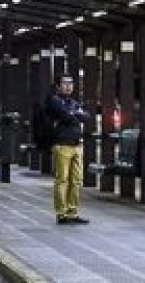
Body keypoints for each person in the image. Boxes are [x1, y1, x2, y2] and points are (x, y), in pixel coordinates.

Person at [45, 74, 93, 225]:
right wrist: (75, 114)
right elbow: (65, 116)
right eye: (65, 83)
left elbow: (87, 117)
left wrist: (74, 113)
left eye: (71, 83)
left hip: (77, 145)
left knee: (76, 181)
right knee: (62, 179)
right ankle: (61, 213)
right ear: (58, 86)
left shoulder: (73, 102)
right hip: (62, 145)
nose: (68, 86)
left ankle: (73, 212)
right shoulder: (54, 100)